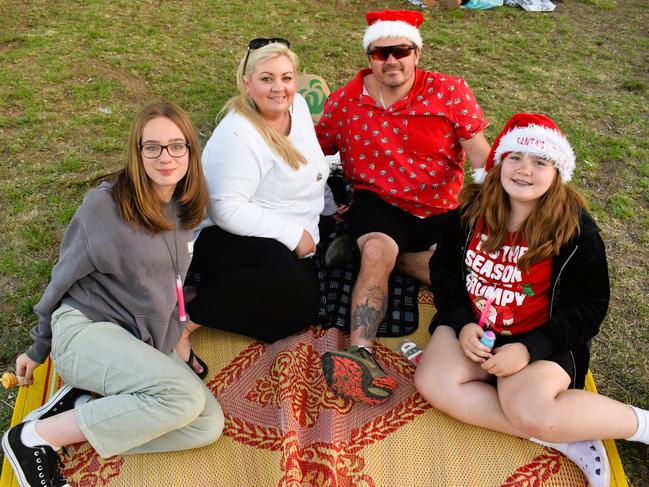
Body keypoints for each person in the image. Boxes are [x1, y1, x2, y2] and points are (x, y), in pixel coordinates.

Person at [413, 113, 649, 487]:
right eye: (515, 158)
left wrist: (530, 349)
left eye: (540, 162)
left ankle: (641, 424)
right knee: (434, 384)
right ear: (499, 163)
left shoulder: (576, 229)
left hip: (542, 335)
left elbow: (589, 307)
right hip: (479, 326)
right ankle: (564, 437)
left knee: (528, 408)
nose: (525, 170)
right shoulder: (471, 213)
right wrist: (460, 323)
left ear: (558, 172)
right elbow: (443, 271)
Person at [2, 102, 225, 487]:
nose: (165, 157)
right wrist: (38, 348)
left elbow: (168, 283)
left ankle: (88, 411)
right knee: (182, 399)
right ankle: (32, 438)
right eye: (151, 146)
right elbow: (61, 279)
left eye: (176, 146)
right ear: (137, 153)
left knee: (207, 424)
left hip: (137, 337)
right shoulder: (105, 207)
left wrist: (176, 334)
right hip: (87, 329)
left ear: (190, 150)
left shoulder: (184, 206)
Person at [316, 9, 491, 404]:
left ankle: (356, 251)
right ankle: (358, 353)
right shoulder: (346, 102)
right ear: (369, 57)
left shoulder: (449, 92)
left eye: (401, 50)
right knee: (378, 250)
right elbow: (311, 151)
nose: (392, 60)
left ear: (416, 53)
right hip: (379, 203)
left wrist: (509, 206)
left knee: (462, 277)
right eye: (381, 53)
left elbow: (482, 158)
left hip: (439, 208)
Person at [175, 39, 329, 371]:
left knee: (299, 299)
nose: (279, 88)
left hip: (283, 224)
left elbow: (311, 162)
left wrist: (328, 204)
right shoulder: (238, 134)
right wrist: (295, 235)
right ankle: (186, 322)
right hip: (224, 235)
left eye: (286, 78)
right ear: (247, 82)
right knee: (299, 302)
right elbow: (225, 209)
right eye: (267, 78)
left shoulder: (297, 107)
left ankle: (214, 291)